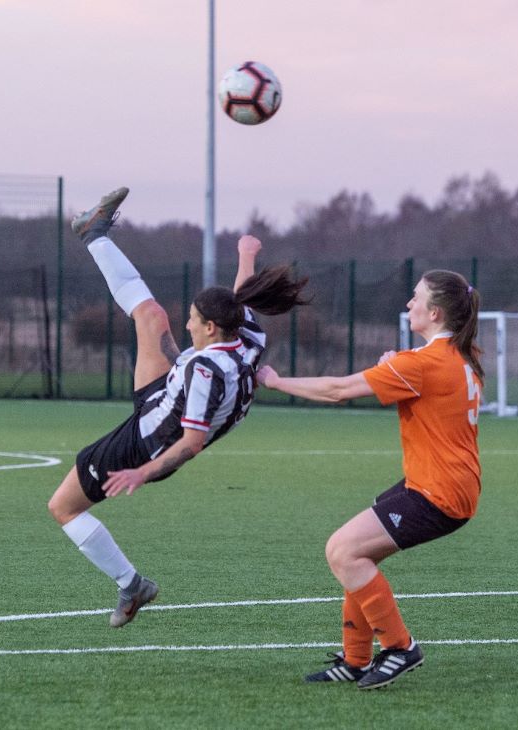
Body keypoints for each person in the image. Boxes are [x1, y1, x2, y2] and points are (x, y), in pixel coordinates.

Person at [48, 186, 309, 628]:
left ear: (209, 327)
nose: (187, 322)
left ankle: (132, 585)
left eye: (192, 318)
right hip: (164, 396)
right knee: (151, 317)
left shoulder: (206, 371)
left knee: (64, 507)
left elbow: (191, 442)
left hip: (148, 444)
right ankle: (93, 233)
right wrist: (246, 253)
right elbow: (240, 297)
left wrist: (141, 472)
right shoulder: (243, 337)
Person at [257, 270, 483, 690]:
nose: (408, 304)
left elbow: (338, 390)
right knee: (357, 553)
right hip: (440, 483)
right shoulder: (459, 356)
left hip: (439, 493)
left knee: (343, 551)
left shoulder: (421, 363)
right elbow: (427, 390)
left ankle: (400, 648)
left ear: (434, 312)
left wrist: (274, 381)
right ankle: (357, 660)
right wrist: (394, 367)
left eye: (415, 299)